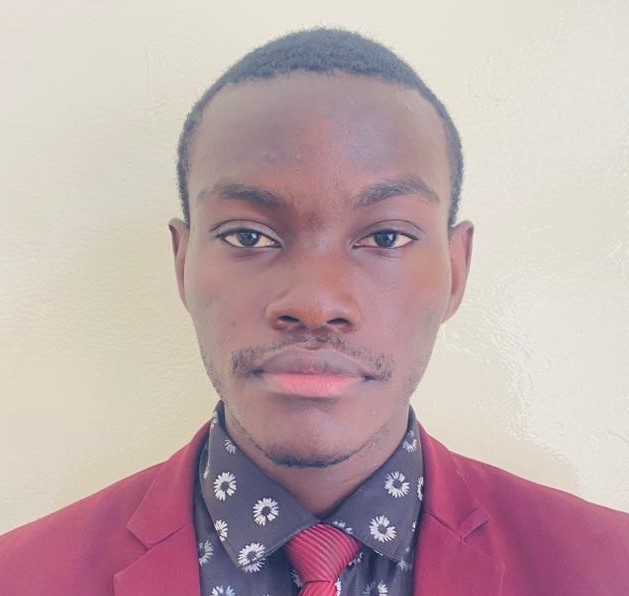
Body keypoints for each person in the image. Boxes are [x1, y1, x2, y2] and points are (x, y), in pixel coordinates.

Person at [0, 28, 627, 596]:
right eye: (248, 235)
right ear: (182, 262)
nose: (315, 304)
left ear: (456, 270)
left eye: (385, 237)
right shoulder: (21, 576)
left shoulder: (610, 568)